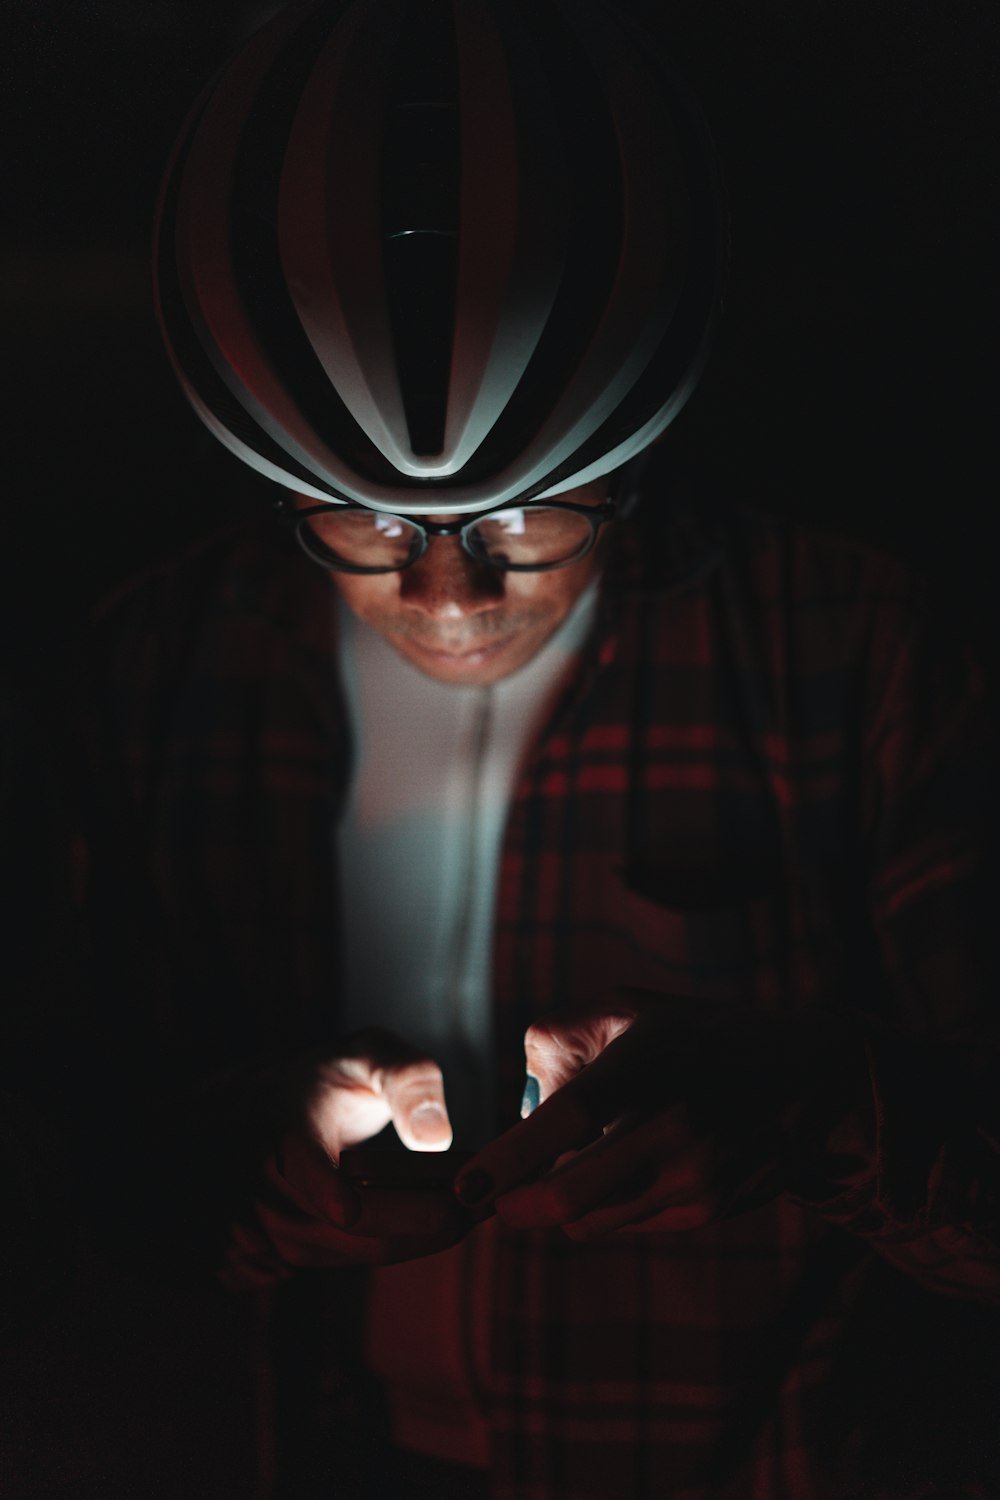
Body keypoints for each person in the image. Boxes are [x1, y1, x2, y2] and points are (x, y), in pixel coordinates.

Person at [65, 0, 1000, 1496]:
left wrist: (803, 1104)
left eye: (525, 518)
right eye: (365, 527)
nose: (447, 597)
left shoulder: (860, 647)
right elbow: (74, 1180)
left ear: (632, 465)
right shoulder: (157, 665)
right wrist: (280, 1174)